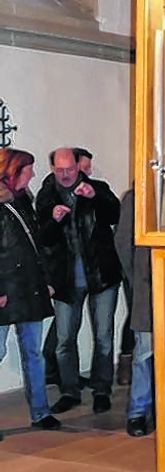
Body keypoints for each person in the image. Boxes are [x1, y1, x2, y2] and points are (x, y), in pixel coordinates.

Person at [36, 147, 121, 415]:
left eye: (70, 169)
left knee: (104, 336)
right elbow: (44, 239)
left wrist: (96, 198)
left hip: (101, 274)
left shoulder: (96, 188)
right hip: (66, 279)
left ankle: (101, 390)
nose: (65, 175)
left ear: (78, 167)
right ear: (52, 169)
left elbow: (115, 216)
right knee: (64, 339)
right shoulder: (46, 195)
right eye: (59, 170)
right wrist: (53, 220)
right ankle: (70, 390)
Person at [0, 148, 61, 437]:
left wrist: (45, 280)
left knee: (33, 354)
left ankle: (41, 412)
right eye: (28, 169)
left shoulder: (24, 201)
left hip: (29, 287)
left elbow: (36, 246)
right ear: (13, 171)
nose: (33, 174)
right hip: (5, 290)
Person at [114, 187, 154, 437]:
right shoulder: (136, 196)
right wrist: (137, 280)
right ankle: (138, 412)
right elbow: (123, 243)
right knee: (143, 354)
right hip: (147, 286)